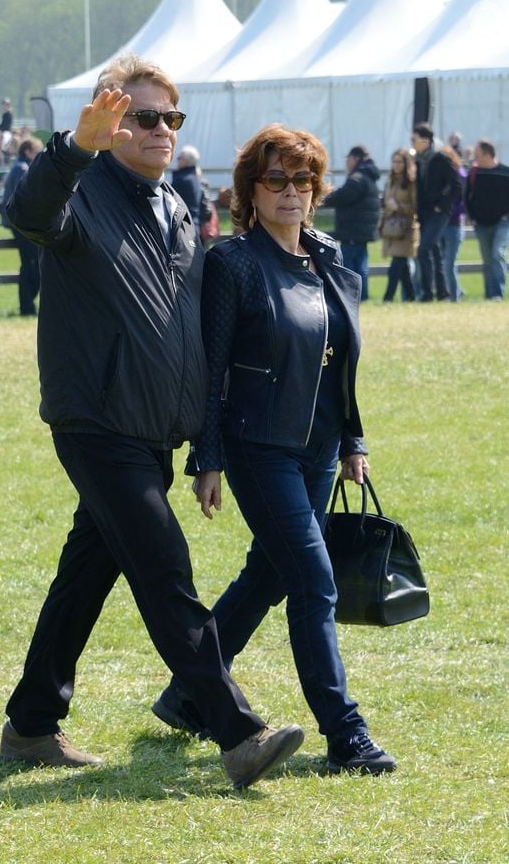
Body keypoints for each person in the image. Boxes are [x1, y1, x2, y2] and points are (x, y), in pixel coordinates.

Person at [0, 54, 303, 790]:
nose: (160, 129)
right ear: (110, 118)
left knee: (85, 575)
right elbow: (28, 215)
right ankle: (237, 730)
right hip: (96, 422)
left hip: (153, 429)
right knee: (165, 570)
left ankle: (32, 722)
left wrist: (205, 439)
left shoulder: (173, 206)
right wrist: (75, 147)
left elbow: (191, 335)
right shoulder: (80, 191)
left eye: (172, 117)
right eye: (143, 116)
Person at [152, 124, 397, 775]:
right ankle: (346, 735)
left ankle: (186, 694)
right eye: (276, 180)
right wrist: (207, 458)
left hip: (319, 449)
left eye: (304, 179)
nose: (292, 193)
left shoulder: (328, 256)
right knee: (313, 583)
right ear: (251, 193)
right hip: (258, 448)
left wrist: (352, 438)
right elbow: (212, 369)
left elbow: (341, 358)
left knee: (268, 575)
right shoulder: (232, 264)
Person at [321, 144, 380, 300]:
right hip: (362, 231)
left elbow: (342, 196)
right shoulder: (368, 177)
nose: (347, 163)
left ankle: (351, 296)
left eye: (348, 159)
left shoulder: (357, 179)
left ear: (355, 158)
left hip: (353, 230)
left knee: (348, 268)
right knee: (361, 265)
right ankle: (363, 296)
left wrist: (322, 198)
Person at [411, 123, 462, 301]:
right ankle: (442, 292)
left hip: (439, 213)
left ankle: (427, 293)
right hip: (424, 213)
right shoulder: (417, 160)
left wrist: (442, 205)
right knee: (434, 250)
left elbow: (456, 186)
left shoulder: (441, 159)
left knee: (423, 249)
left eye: (415, 140)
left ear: (426, 141)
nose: (413, 143)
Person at [1, 138, 44, 315]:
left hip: (18, 221)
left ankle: (27, 305)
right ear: (27, 151)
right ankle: (27, 306)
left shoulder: (19, 167)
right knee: (30, 264)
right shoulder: (23, 169)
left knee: (30, 263)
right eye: (36, 152)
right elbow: (27, 196)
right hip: (21, 223)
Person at [465, 139, 509, 300]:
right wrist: (472, 218)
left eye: (477, 154)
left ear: (486, 154)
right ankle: (489, 294)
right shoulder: (474, 174)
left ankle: (497, 293)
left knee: (497, 253)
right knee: (487, 259)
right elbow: (467, 197)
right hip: (481, 223)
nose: (474, 157)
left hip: (502, 222)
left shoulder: (505, 172)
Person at [380, 148, 418, 302]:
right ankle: (411, 296)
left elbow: (415, 206)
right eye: (394, 161)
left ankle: (388, 297)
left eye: (400, 162)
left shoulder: (410, 182)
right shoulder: (390, 181)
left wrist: (399, 207)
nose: (396, 165)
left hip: (406, 228)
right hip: (392, 227)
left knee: (396, 265)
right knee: (403, 269)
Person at [439, 145, 467, 302]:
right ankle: (452, 292)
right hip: (443, 223)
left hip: (454, 223)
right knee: (444, 262)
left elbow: (460, 203)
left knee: (449, 263)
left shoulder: (459, 174)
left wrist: (445, 208)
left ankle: (454, 296)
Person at [171, 144, 203, 232]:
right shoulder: (195, 177)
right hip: (194, 225)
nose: (177, 161)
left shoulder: (183, 180)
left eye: (179, 158)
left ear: (186, 161)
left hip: (183, 227)